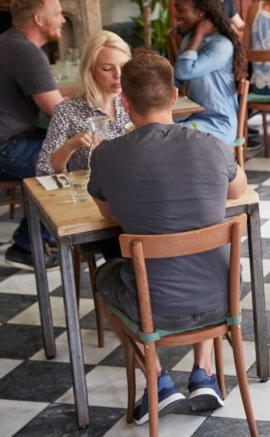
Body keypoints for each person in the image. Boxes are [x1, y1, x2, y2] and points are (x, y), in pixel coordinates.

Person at [90, 53, 247, 424]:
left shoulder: (107, 155)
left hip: (153, 307)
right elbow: (237, 189)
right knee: (206, 258)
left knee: (102, 276)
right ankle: (203, 373)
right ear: (175, 96)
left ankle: (158, 379)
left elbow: (106, 213)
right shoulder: (210, 144)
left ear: (124, 102)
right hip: (222, 297)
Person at [0, 0, 65, 269]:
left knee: (65, 150)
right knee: (67, 161)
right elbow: (59, 112)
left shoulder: (10, 43)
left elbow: (50, 98)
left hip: (0, 141)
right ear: (39, 19)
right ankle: (27, 247)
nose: (63, 19)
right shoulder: (25, 53)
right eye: (57, 13)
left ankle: (41, 235)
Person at [36, 30, 131, 175]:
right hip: (91, 194)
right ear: (91, 70)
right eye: (107, 68)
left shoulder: (137, 102)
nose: (118, 75)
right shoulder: (67, 110)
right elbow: (44, 168)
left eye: (123, 67)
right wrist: (69, 146)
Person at [173, 0, 247, 145]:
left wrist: (199, 34)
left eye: (180, 10)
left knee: (172, 138)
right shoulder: (188, 41)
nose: (176, 15)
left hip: (218, 123)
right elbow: (176, 80)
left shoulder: (222, 45)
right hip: (192, 117)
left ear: (200, 13)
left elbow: (184, 71)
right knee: (156, 131)